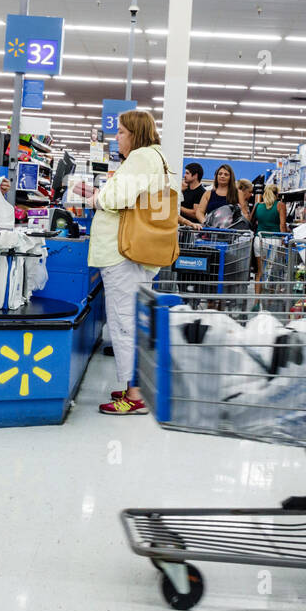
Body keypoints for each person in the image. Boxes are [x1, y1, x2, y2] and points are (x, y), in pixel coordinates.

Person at [89, 110, 176, 415]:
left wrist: (97, 198)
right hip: (136, 254)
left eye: (122, 132)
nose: (117, 138)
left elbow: (116, 198)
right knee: (132, 319)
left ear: (135, 134)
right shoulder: (156, 158)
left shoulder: (140, 158)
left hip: (122, 254)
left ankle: (135, 395)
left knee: (123, 321)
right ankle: (134, 384)